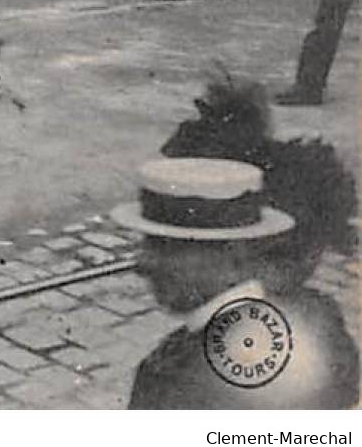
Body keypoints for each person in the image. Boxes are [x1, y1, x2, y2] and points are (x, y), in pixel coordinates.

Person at [116, 156, 357, 409]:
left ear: (236, 253)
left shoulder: (170, 383)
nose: (141, 263)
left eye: (167, 246)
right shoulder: (319, 316)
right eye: (149, 241)